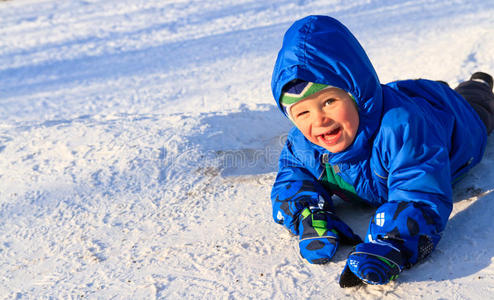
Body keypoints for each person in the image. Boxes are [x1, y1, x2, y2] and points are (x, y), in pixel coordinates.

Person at [269, 15, 494, 287]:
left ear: (356, 94)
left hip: (456, 122)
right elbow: (293, 174)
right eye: (302, 112)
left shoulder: (402, 129)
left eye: (329, 101)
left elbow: (419, 190)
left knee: (478, 107)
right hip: (406, 100)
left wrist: (391, 243)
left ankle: (479, 84)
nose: (318, 120)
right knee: (420, 96)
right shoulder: (305, 143)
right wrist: (308, 214)